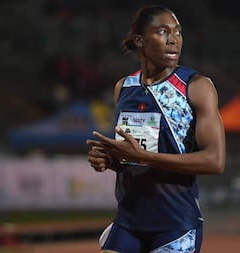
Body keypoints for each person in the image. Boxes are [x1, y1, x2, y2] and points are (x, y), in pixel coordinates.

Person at [86, 5, 226, 253]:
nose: (174, 40)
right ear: (140, 40)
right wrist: (110, 159)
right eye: (163, 32)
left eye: (178, 32)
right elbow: (134, 158)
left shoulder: (196, 87)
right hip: (129, 221)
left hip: (175, 225)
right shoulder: (124, 87)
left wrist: (144, 157)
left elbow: (215, 161)